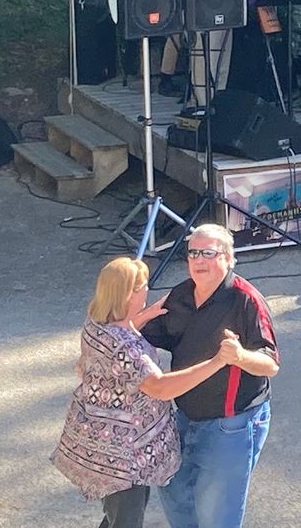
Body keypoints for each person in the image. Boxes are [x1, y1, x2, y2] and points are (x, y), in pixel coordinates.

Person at [53, 257, 230, 528]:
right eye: (144, 286)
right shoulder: (126, 350)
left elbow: (119, 330)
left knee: (116, 517)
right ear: (129, 294)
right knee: (127, 520)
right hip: (123, 459)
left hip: (101, 448)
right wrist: (218, 361)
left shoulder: (95, 322)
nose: (148, 290)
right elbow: (160, 386)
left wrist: (145, 316)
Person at [142, 224, 279, 528]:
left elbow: (270, 364)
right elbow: (148, 336)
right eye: (193, 253)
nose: (198, 260)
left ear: (229, 258)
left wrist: (240, 356)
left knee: (216, 514)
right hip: (184, 417)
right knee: (174, 492)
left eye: (208, 253)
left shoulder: (246, 300)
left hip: (230, 424)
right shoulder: (180, 296)